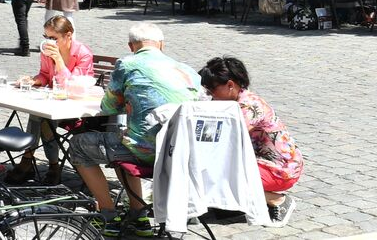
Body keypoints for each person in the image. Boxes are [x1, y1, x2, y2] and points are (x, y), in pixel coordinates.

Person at [69, 23, 200, 238]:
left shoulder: (128, 64)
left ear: (131, 46)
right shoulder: (188, 71)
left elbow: (109, 107)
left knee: (78, 145)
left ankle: (108, 214)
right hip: (182, 154)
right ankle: (138, 215)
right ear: (161, 45)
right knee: (123, 140)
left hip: (147, 153)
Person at [199, 57, 302, 226]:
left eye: (212, 90)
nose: (209, 95)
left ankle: (277, 200)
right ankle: (233, 204)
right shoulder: (234, 101)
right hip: (262, 162)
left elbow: (224, 139)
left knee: (218, 173)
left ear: (230, 85)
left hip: (280, 168)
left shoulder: (249, 107)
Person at [6, 16, 94, 184]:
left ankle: (30, 161)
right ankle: (50, 165)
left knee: (43, 119)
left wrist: (59, 60)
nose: (48, 42)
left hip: (76, 107)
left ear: (68, 35)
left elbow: (72, 86)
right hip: (53, 103)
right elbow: (45, 75)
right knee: (38, 115)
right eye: (46, 37)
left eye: (53, 38)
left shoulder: (83, 54)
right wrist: (33, 80)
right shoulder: (47, 52)